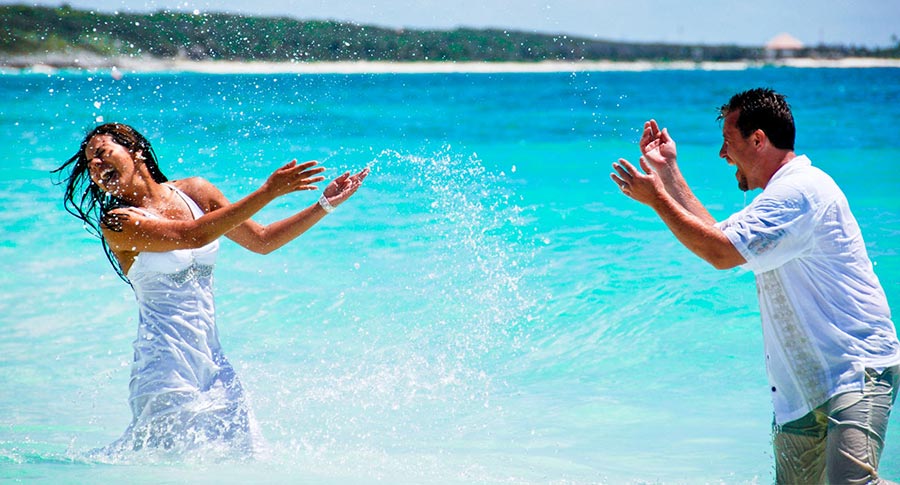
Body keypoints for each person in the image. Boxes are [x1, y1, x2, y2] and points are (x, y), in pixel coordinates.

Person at [610, 88, 900, 483]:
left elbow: (719, 254)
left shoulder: (799, 192)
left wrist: (659, 200)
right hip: (801, 385)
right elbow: (716, 237)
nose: (722, 154)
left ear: (758, 140)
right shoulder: (776, 199)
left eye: (728, 143)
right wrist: (668, 171)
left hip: (854, 369)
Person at [54, 122, 369, 457]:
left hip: (216, 369)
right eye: (91, 165)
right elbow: (193, 235)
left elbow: (262, 241)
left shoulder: (196, 192)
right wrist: (268, 192)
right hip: (163, 371)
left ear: (135, 150)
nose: (97, 168)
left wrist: (324, 205)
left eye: (103, 154)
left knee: (247, 462)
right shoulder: (118, 222)